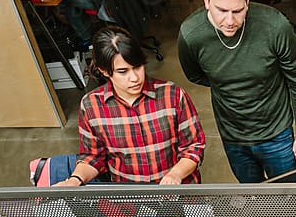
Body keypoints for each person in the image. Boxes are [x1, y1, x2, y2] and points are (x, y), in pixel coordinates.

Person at [177, 0, 296, 183]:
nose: (230, 20)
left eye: (238, 10)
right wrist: (229, 82)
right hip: (233, 137)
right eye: (222, 10)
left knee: (290, 199)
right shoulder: (191, 35)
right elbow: (195, 74)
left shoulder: (275, 26)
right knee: (251, 195)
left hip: (277, 133)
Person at [56, 24, 205, 186]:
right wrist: (74, 180)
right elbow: (93, 157)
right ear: (104, 71)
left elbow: (193, 147)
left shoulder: (173, 95)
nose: (134, 78)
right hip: (130, 200)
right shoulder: (91, 106)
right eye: (123, 71)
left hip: (180, 192)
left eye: (137, 67)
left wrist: (176, 174)